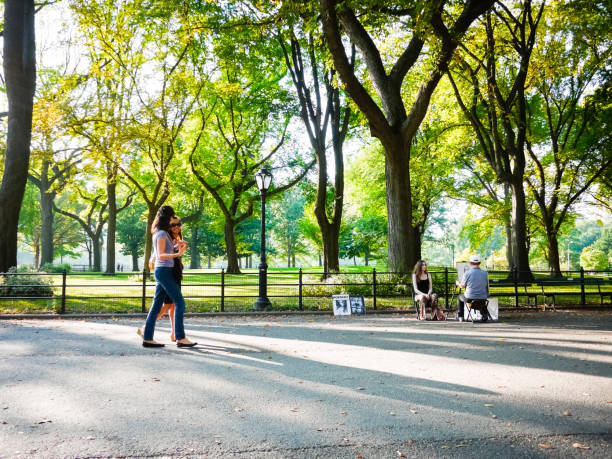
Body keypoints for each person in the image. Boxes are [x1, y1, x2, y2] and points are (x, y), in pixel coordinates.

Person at [141, 206, 196, 348]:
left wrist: (179, 246)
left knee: (157, 305)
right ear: (167, 217)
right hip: (163, 271)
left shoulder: (164, 233)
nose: (174, 218)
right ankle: (180, 338)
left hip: (165, 270)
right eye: (172, 216)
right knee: (179, 302)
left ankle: (147, 337)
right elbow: (160, 255)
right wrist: (178, 254)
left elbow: (168, 249)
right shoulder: (160, 234)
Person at [137, 216, 184, 342]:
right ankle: (146, 328)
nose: (176, 227)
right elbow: (159, 251)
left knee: (172, 304)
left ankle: (174, 333)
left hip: (175, 272)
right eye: (173, 225)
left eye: (178, 224)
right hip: (168, 272)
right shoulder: (165, 235)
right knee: (169, 304)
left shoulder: (176, 237)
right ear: (169, 226)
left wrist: (180, 246)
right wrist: (152, 258)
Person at [455, 254, 490, 322]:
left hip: (470, 298)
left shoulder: (467, 273)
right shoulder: (485, 273)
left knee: (459, 297)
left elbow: (462, 286)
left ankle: (460, 316)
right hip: (483, 298)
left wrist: (458, 283)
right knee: (479, 298)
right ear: (479, 263)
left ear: (470, 263)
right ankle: (484, 314)